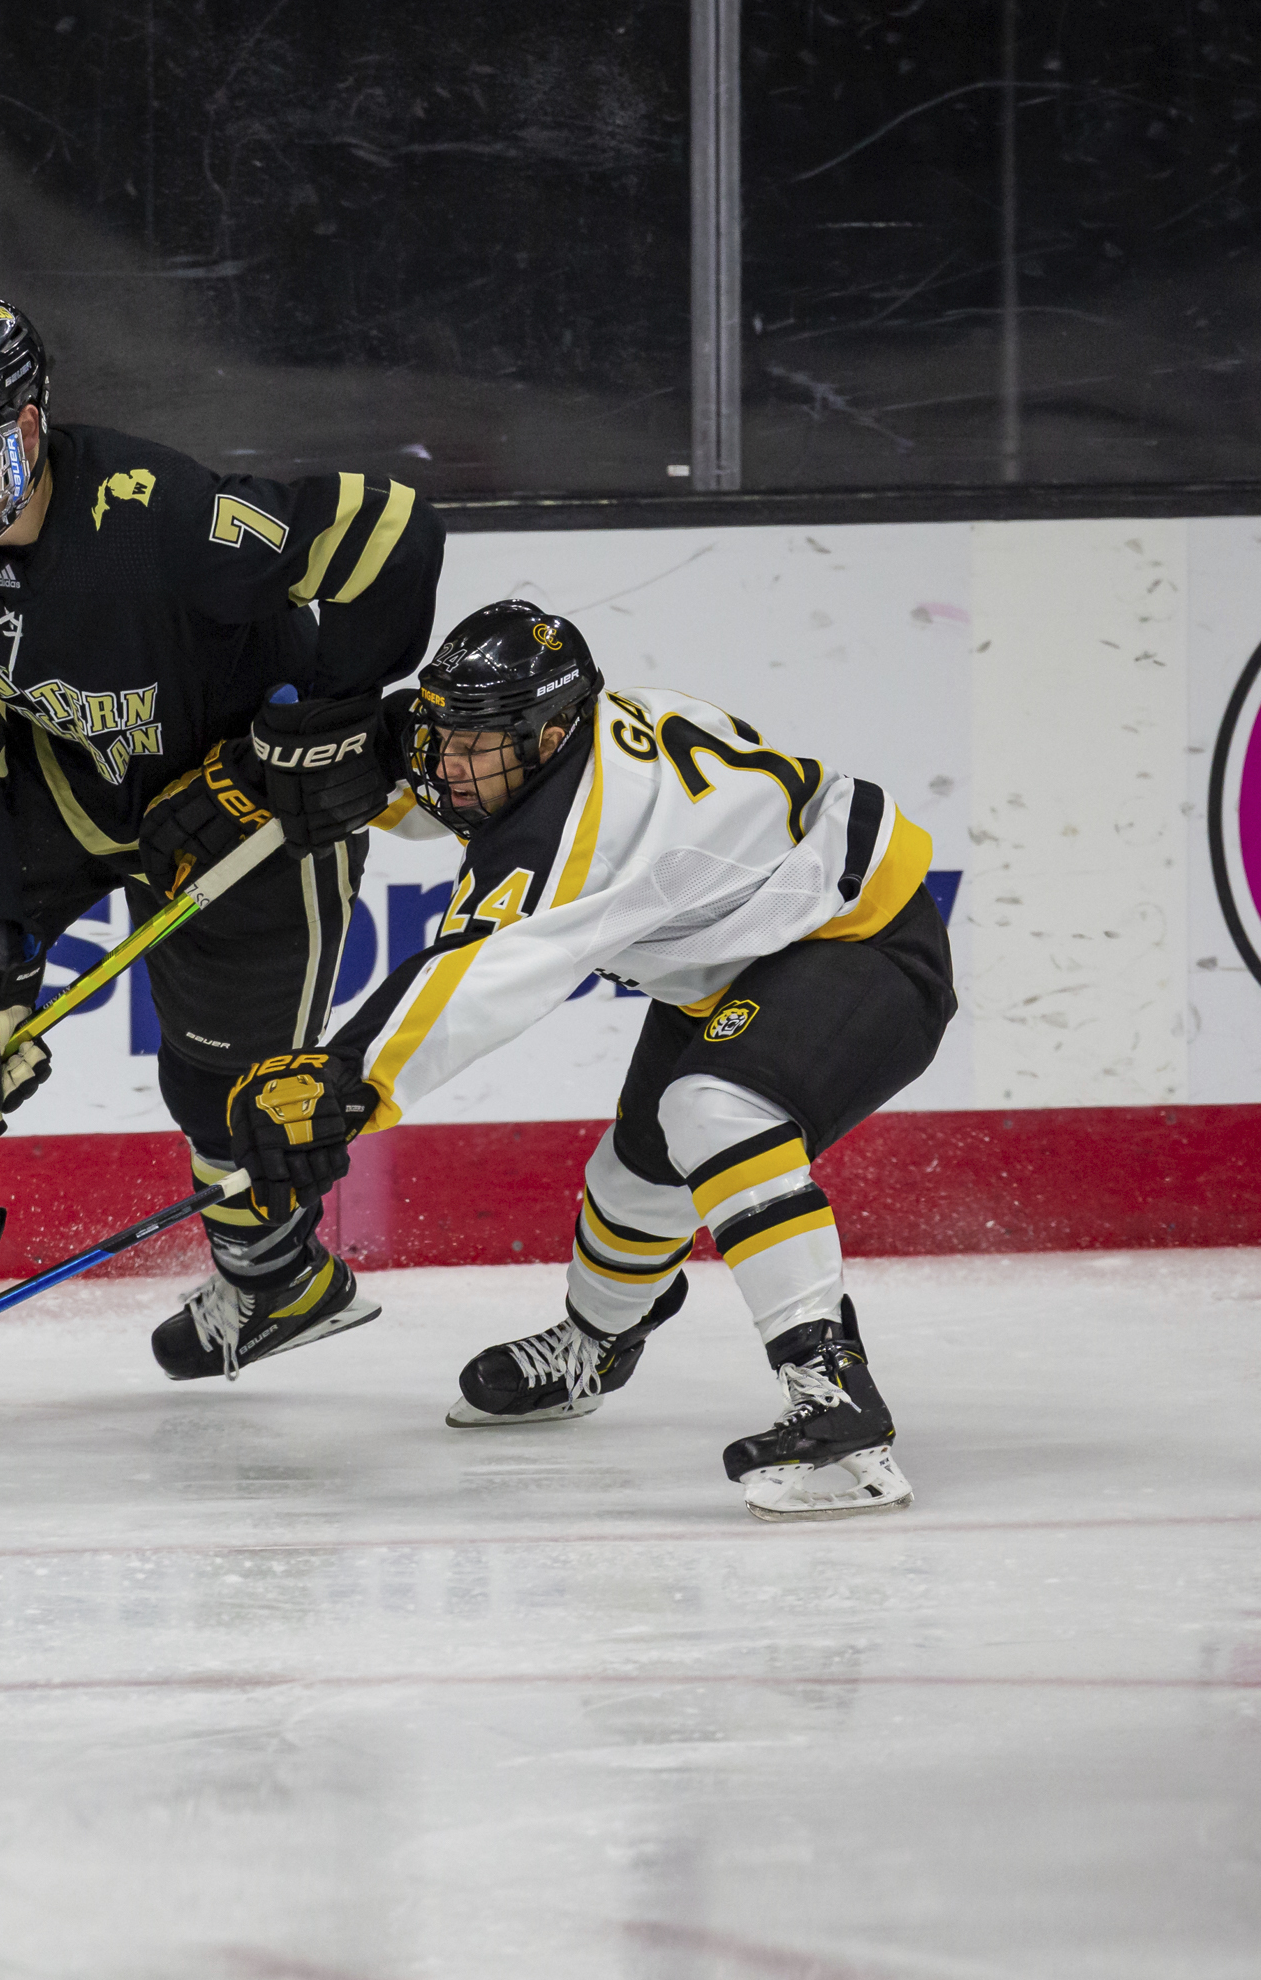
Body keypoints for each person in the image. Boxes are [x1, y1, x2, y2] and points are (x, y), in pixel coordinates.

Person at [0, 297, 445, 1448]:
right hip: (64, 786)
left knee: (225, 1089)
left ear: (26, 427)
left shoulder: (159, 514)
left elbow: (389, 526)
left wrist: (324, 726)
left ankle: (275, 1283)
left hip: (239, 797)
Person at [224, 601, 957, 1519]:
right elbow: (452, 772)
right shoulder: (553, 746)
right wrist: (375, 780)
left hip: (863, 940)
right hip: (736, 954)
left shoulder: (574, 836)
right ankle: (593, 1346)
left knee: (713, 1108)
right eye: (444, 735)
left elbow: (475, 976)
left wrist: (344, 1082)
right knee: (636, 1174)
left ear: (551, 732)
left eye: (475, 744)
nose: (450, 765)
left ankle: (835, 1398)